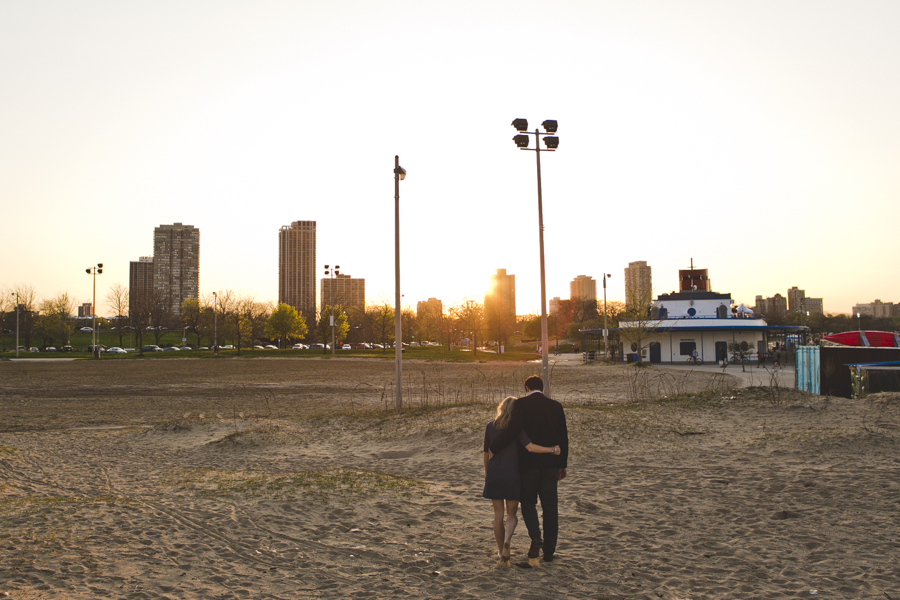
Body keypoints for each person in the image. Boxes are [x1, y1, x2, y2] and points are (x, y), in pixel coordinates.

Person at [488, 375, 568, 563]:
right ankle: (549, 552)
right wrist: (562, 464)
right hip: (551, 464)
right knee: (550, 507)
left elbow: (513, 430)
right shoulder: (556, 406)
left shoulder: (521, 404)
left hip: (529, 465)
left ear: (526, 388)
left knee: (528, 502)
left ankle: (536, 537)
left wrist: (495, 447)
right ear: (542, 388)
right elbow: (563, 438)